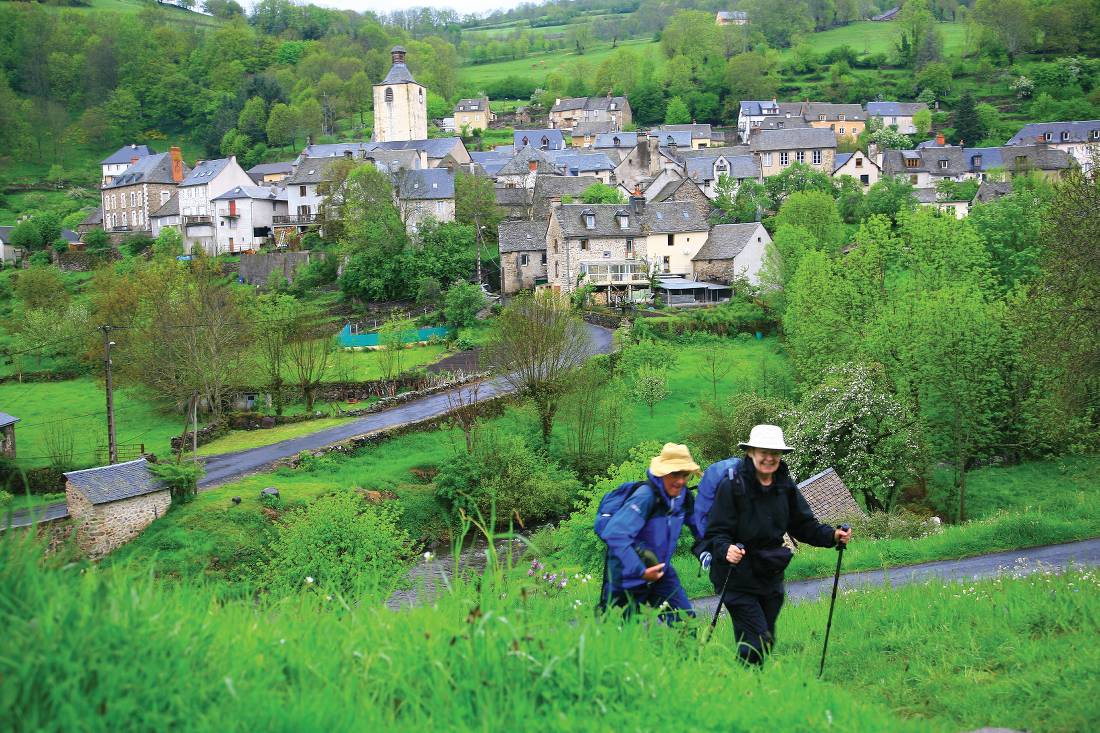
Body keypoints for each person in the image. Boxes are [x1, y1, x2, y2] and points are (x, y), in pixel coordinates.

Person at [702, 425, 852, 665]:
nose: (769, 458)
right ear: (751, 452)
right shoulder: (732, 486)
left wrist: (832, 536)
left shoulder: (785, 486)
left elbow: (804, 525)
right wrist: (725, 549)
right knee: (756, 640)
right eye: (764, 451)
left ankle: (745, 683)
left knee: (765, 640)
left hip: (769, 573)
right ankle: (746, 688)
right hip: (736, 575)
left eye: (775, 453)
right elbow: (715, 532)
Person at [599, 443, 704, 623]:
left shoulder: (683, 497)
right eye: (674, 474)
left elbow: (702, 530)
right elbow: (615, 535)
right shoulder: (645, 497)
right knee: (621, 638)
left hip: (660, 572)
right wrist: (641, 570)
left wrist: (725, 547)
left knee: (686, 623)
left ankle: (681, 652)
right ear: (662, 472)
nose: (680, 481)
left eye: (685, 475)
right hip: (626, 577)